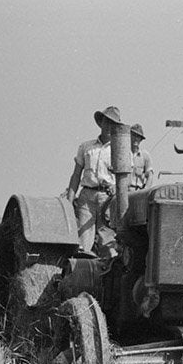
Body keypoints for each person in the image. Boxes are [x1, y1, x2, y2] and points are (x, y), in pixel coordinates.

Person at [65, 106, 119, 255]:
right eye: (106, 122)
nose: (109, 126)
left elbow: (126, 180)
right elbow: (76, 175)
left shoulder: (120, 150)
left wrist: (116, 189)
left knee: (108, 242)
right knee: (83, 242)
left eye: (113, 124)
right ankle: (82, 273)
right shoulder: (86, 147)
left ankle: (105, 276)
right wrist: (70, 199)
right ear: (101, 123)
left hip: (108, 199)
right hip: (87, 197)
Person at [130, 124, 153, 190]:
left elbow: (150, 175)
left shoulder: (145, 155)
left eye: (138, 136)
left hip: (138, 192)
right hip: (124, 192)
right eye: (134, 135)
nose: (136, 138)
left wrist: (145, 189)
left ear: (141, 139)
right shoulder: (123, 154)